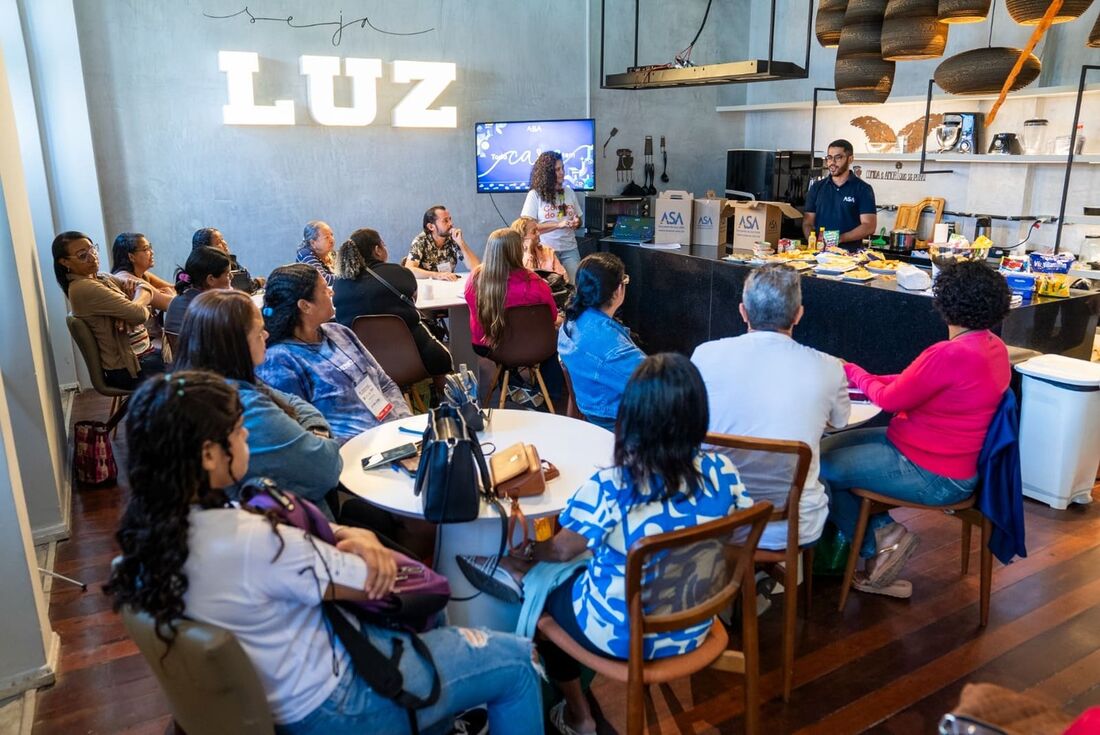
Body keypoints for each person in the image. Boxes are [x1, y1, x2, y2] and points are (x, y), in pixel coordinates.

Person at [104, 370, 544, 735]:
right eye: (238, 433)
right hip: (335, 705)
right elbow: (377, 580)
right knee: (519, 662)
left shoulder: (149, 540)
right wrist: (365, 541)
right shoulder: (255, 542)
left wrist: (335, 532)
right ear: (207, 455)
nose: (246, 442)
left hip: (278, 694)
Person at [458, 354, 752, 735]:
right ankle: (524, 575)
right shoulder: (724, 472)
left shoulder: (616, 484)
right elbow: (738, 525)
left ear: (632, 415)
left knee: (549, 592)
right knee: (589, 557)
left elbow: (562, 548)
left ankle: (580, 717)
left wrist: (531, 550)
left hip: (622, 633)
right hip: (693, 621)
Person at [822, 260, 1012, 597]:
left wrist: (851, 370)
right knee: (823, 450)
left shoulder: (949, 353)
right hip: (946, 459)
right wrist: (862, 376)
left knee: (817, 468)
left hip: (935, 474)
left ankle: (879, 544)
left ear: (944, 302)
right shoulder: (992, 347)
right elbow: (913, 384)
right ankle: (882, 536)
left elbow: (892, 400)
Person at [691, 263, 850, 551]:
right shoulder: (828, 368)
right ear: (799, 314)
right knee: (825, 476)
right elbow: (840, 422)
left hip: (715, 519)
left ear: (743, 311)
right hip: (790, 528)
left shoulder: (705, 356)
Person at [173, 289, 342, 509]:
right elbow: (327, 468)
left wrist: (310, 431)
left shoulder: (207, 385)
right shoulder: (243, 409)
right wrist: (320, 432)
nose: (267, 336)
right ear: (236, 345)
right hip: (288, 529)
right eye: (259, 332)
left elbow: (294, 402)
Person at [258, 264, 411, 444]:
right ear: (305, 305)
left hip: (393, 435)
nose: (332, 293)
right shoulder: (279, 360)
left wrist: (403, 422)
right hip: (350, 454)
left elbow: (385, 384)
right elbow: (301, 434)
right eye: (324, 290)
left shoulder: (340, 332)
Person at [332, 228, 453, 378]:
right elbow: (412, 301)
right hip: (412, 358)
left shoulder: (340, 283)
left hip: (363, 364)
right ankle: (447, 399)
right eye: (383, 244)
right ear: (377, 250)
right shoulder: (400, 273)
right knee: (443, 361)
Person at [52, 231, 165, 389]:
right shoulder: (83, 287)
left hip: (144, 354)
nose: (92, 257)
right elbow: (139, 315)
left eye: (92, 249)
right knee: (193, 373)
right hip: (131, 368)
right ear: (65, 262)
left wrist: (129, 308)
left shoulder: (101, 277)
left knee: (190, 359)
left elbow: (144, 287)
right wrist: (132, 309)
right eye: (82, 255)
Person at [465, 228, 561, 405]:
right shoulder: (536, 283)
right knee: (556, 343)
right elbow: (552, 317)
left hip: (488, 345)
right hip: (533, 345)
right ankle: (551, 396)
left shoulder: (475, 278)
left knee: (509, 350)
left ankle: (512, 384)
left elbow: (474, 311)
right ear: (518, 250)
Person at [557, 253, 644, 430]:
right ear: (619, 290)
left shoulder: (572, 321)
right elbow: (658, 388)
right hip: (622, 424)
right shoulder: (612, 349)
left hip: (594, 412)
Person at [802, 139, 877, 250]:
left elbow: (869, 226)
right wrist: (812, 242)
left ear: (850, 159)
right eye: (829, 158)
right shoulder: (817, 187)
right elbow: (808, 222)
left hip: (850, 256)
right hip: (819, 254)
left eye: (838, 157)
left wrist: (840, 238)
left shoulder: (863, 189)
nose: (832, 162)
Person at [521, 151, 583, 282]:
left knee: (575, 289)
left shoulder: (569, 192)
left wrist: (577, 222)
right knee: (550, 292)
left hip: (570, 250)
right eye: (557, 170)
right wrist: (557, 225)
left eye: (562, 168)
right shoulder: (535, 195)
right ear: (547, 174)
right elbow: (527, 229)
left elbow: (580, 219)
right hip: (545, 252)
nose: (562, 173)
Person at [163, 246, 232, 335]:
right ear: (211, 279)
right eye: (227, 274)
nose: (231, 277)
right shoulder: (212, 308)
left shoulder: (176, 300)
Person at [406, 205, 481, 280]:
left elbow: (476, 267)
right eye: (445, 220)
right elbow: (410, 270)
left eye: (450, 219)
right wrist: (437, 275)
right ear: (431, 227)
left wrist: (461, 243)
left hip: (448, 285)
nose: (451, 223)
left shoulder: (453, 238)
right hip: (427, 287)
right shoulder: (421, 240)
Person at [110, 232, 176, 312]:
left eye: (150, 247)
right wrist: (170, 293)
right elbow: (171, 304)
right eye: (146, 249)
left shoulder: (143, 274)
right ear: (131, 257)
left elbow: (176, 288)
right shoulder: (127, 278)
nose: (152, 252)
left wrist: (169, 292)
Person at [192, 227, 265, 292]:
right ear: (207, 250)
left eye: (222, 239)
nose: (224, 243)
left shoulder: (231, 261)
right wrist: (258, 282)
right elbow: (248, 285)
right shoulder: (207, 269)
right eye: (218, 242)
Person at [295, 220, 337, 286]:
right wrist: (347, 277)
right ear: (313, 243)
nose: (332, 240)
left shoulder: (331, 253)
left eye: (332, 235)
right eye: (326, 237)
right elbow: (324, 280)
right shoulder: (305, 255)